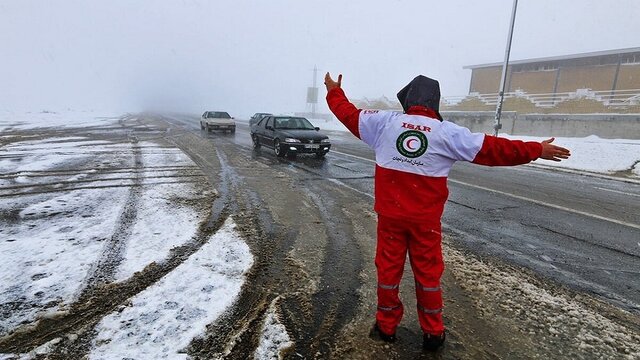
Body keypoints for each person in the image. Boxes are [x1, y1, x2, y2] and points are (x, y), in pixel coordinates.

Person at [324, 73, 571, 352]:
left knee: (388, 272)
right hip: (425, 224)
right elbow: (494, 149)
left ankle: (385, 327)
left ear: (407, 99)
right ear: (435, 103)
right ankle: (433, 333)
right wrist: (536, 149)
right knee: (428, 277)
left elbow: (347, 113)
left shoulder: (383, 123)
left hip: (390, 219)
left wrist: (334, 91)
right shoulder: (448, 133)